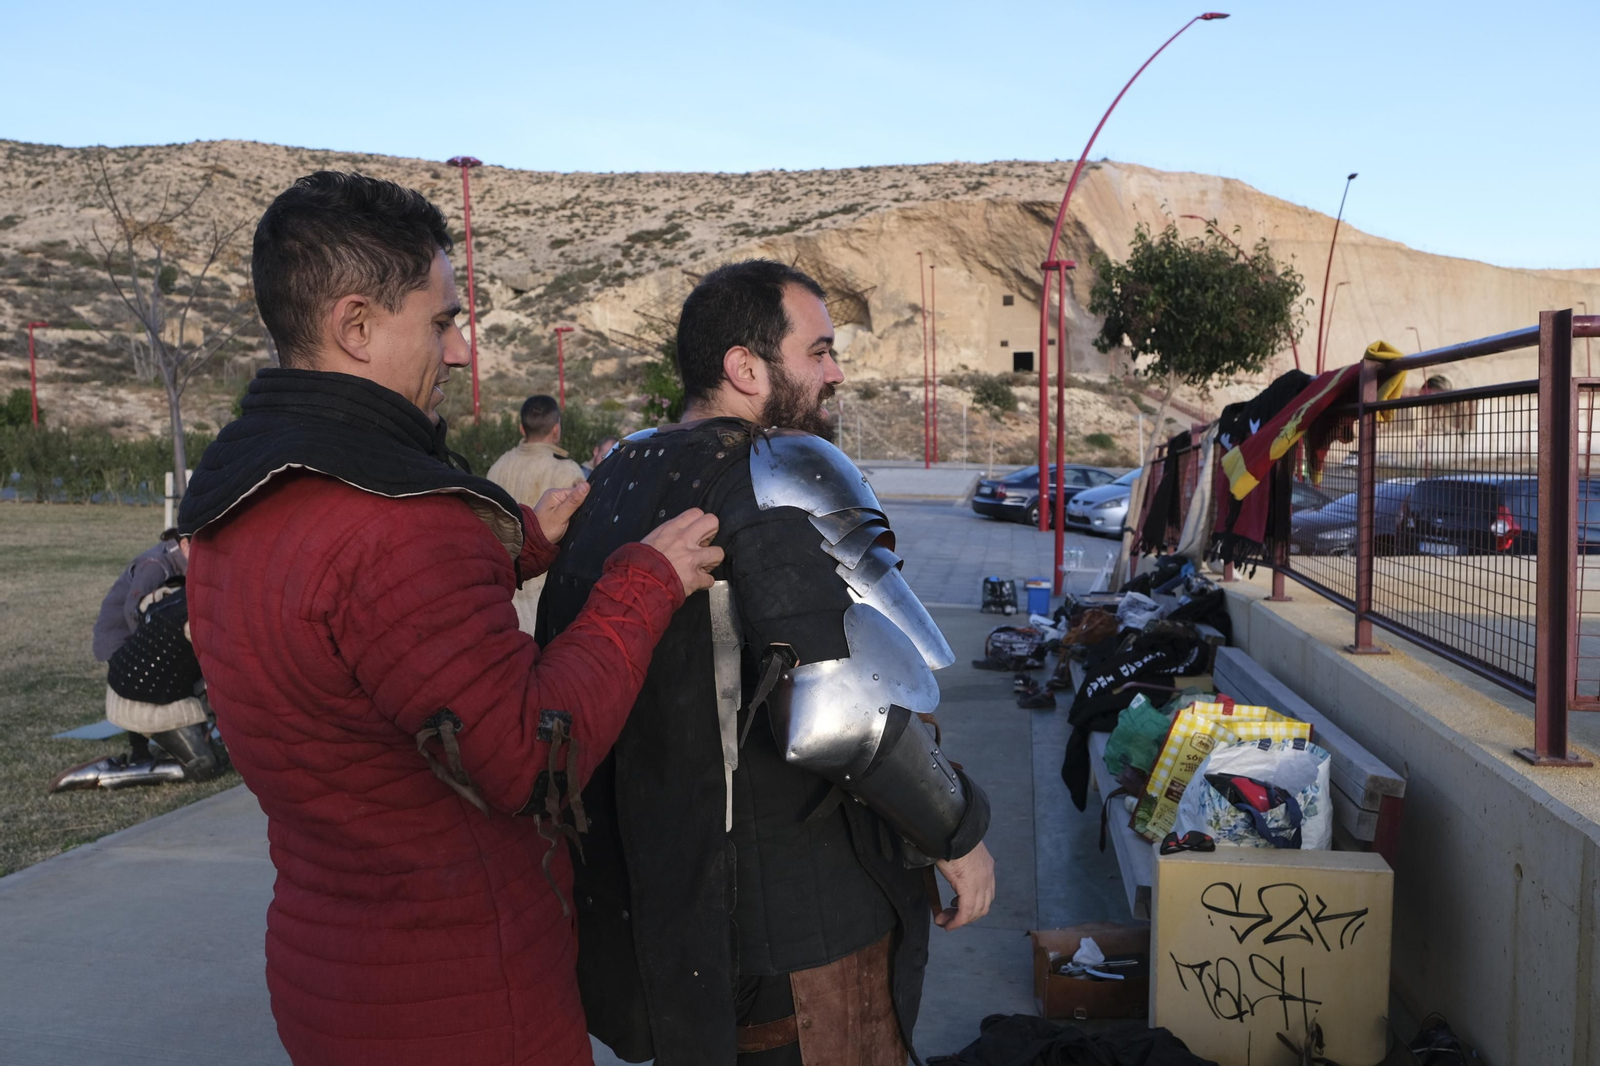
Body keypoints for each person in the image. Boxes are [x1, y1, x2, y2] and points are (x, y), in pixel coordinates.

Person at [177, 171, 723, 1066]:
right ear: (356, 326)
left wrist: (512, 551)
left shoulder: (245, 490)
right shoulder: (394, 526)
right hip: (460, 998)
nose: (462, 350)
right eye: (440, 321)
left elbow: (337, 636)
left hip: (331, 975)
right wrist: (645, 581)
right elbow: (533, 758)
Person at [540, 259, 995, 1066]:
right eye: (817, 351)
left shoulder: (610, 477)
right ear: (746, 368)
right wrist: (957, 833)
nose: (836, 372)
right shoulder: (775, 469)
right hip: (803, 921)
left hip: (665, 907)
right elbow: (846, 715)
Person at [50, 531, 228, 791]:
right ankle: (115, 768)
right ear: (184, 545)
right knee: (201, 761)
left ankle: (148, 749)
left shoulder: (190, 576)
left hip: (148, 648)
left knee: (159, 682)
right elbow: (134, 610)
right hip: (121, 638)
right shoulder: (155, 567)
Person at [487, 395, 587, 631]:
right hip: (547, 602)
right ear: (556, 429)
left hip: (503, 600)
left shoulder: (497, 467)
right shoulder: (566, 470)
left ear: (522, 428)